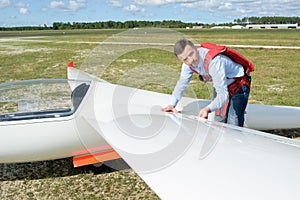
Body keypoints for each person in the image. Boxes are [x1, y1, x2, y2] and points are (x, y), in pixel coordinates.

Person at [162, 38, 252, 127]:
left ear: (195, 49)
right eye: (185, 59)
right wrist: (172, 104)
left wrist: (207, 109)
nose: (191, 60)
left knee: (233, 122)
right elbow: (181, 84)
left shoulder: (214, 61)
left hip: (239, 84)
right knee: (219, 120)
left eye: (191, 54)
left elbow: (223, 95)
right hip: (221, 83)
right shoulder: (187, 65)